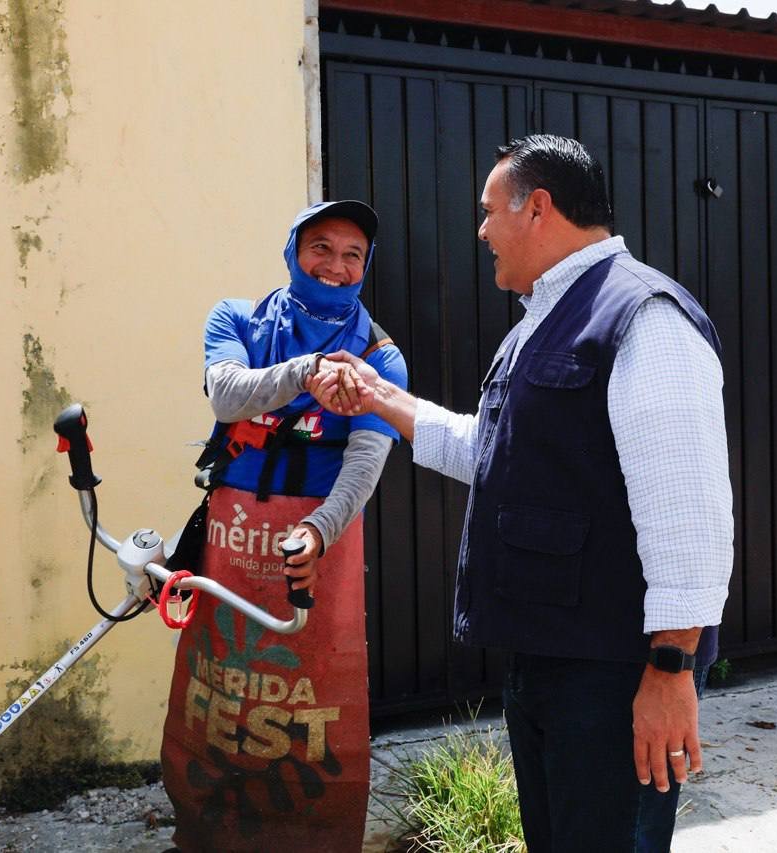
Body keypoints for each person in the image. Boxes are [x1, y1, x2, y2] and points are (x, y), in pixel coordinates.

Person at [308, 135, 732, 852]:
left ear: (537, 208)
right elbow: (492, 453)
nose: (480, 231)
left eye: (487, 211)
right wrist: (381, 396)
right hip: (546, 661)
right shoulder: (540, 320)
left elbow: (688, 512)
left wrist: (670, 670)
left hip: (615, 674)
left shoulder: (643, 318)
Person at [160, 199, 407, 853]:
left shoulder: (382, 359)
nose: (336, 265)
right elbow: (227, 393)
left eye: (353, 253)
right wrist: (306, 372)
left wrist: (319, 530)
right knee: (221, 689)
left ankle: (311, 836)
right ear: (293, 250)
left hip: (319, 547)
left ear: (367, 266)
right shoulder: (236, 318)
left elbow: (365, 462)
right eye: (320, 246)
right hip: (227, 538)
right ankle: (206, 829)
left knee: (310, 702)